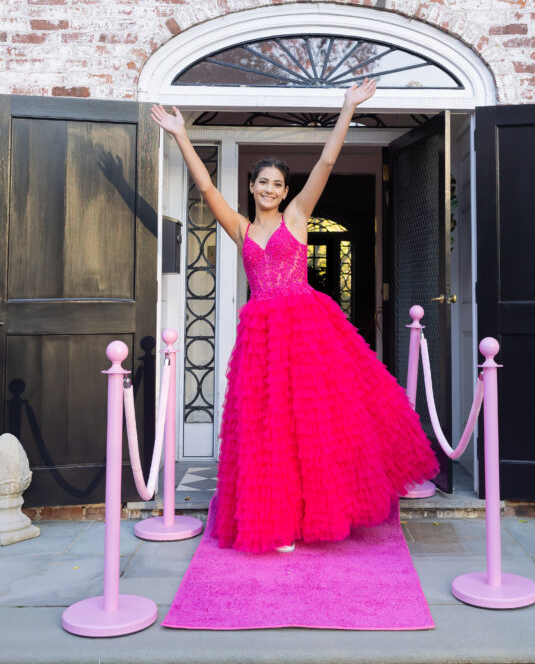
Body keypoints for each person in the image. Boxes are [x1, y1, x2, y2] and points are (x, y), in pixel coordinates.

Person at [151, 80, 439, 554]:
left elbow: (326, 162)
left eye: (277, 184)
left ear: (286, 191)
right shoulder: (240, 227)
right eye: (262, 182)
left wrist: (347, 108)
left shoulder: (298, 216)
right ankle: (280, 519)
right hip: (262, 333)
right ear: (251, 186)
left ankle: (331, 505)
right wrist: (182, 134)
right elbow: (203, 184)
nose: (270, 189)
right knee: (271, 427)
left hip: (307, 328)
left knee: (323, 419)